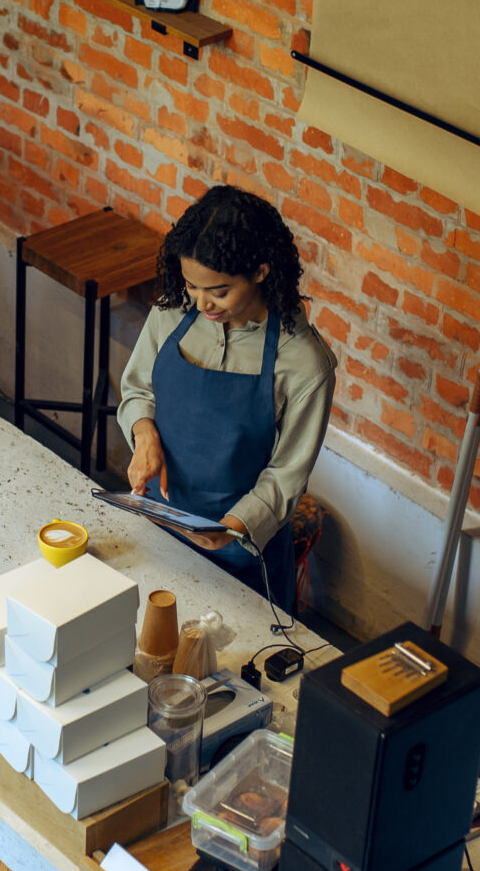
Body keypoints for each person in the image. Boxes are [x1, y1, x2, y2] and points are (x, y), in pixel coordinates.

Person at [115, 185, 337, 611]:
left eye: (218, 291)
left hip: (240, 551)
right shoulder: (172, 312)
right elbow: (138, 388)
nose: (201, 303)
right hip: (160, 522)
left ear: (259, 272)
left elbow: (287, 476)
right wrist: (145, 437)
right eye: (191, 286)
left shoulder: (304, 362)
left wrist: (231, 529)